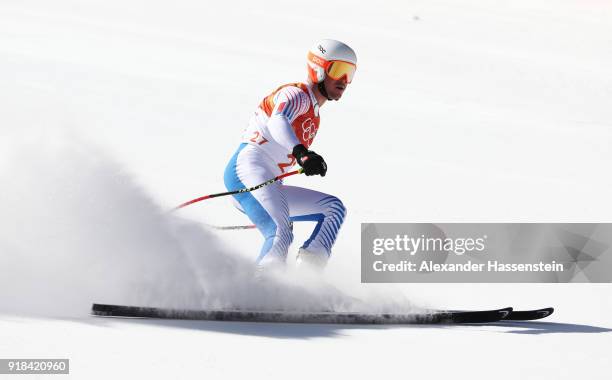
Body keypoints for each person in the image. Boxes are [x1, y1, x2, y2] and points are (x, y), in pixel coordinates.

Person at [224, 39, 357, 270]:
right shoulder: (296, 94)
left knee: (333, 210)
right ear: (318, 68)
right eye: (338, 70)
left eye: (350, 73)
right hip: (247, 170)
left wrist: (301, 156)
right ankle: (262, 289)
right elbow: (278, 121)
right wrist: (301, 153)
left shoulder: (314, 114)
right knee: (279, 233)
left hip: (270, 181)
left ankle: (307, 282)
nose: (344, 81)